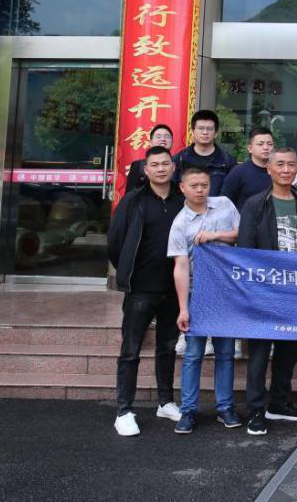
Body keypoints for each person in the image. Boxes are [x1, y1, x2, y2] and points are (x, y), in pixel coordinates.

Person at [107, 145, 185, 437]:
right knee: (131, 350)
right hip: (141, 288)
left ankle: (165, 401)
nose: (161, 169)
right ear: (146, 169)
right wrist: (128, 271)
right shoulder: (133, 200)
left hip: (173, 288)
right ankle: (124, 410)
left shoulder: (183, 199)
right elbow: (115, 242)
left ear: (173, 167)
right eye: (155, 164)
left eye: (166, 163)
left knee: (167, 347)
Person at [236, 146, 297, 436]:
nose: (286, 170)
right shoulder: (256, 204)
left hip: (294, 291)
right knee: (259, 352)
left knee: (287, 350)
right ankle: (256, 409)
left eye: (291, 165)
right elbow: (245, 250)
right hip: (263, 291)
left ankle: (279, 402)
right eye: (279, 164)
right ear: (268, 169)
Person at [167, 165, 241, 434]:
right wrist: (183, 308)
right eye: (194, 186)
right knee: (193, 354)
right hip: (197, 292)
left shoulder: (224, 205)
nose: (200, 190)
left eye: (204, 185)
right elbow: (180, 267)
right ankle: (188, 410)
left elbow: (242, 233)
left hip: (226, 291)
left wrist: (214, 236)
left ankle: (225, 407)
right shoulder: (180, 223)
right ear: (182, 188)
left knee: (225, 353)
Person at [173, 109, 237, 196]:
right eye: (201, 128)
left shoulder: (228, 161)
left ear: (216, 133)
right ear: (193, 132)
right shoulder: (179, 159)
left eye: (209, 129)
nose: (205, 132)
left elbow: (232, 193)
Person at [221, 127, 274, 209]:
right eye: (260, 144)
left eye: (270, 144)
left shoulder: (279, 172)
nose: (266, 147)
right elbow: (224, 202)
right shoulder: (238, 172)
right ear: (250, 148)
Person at [125, 123, 174, 193]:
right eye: (158, 137)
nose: (163, 139)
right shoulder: (138, 166)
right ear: (150, 142)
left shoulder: (180, 164)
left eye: (167, 136)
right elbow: (130, 194)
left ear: (172, 142)